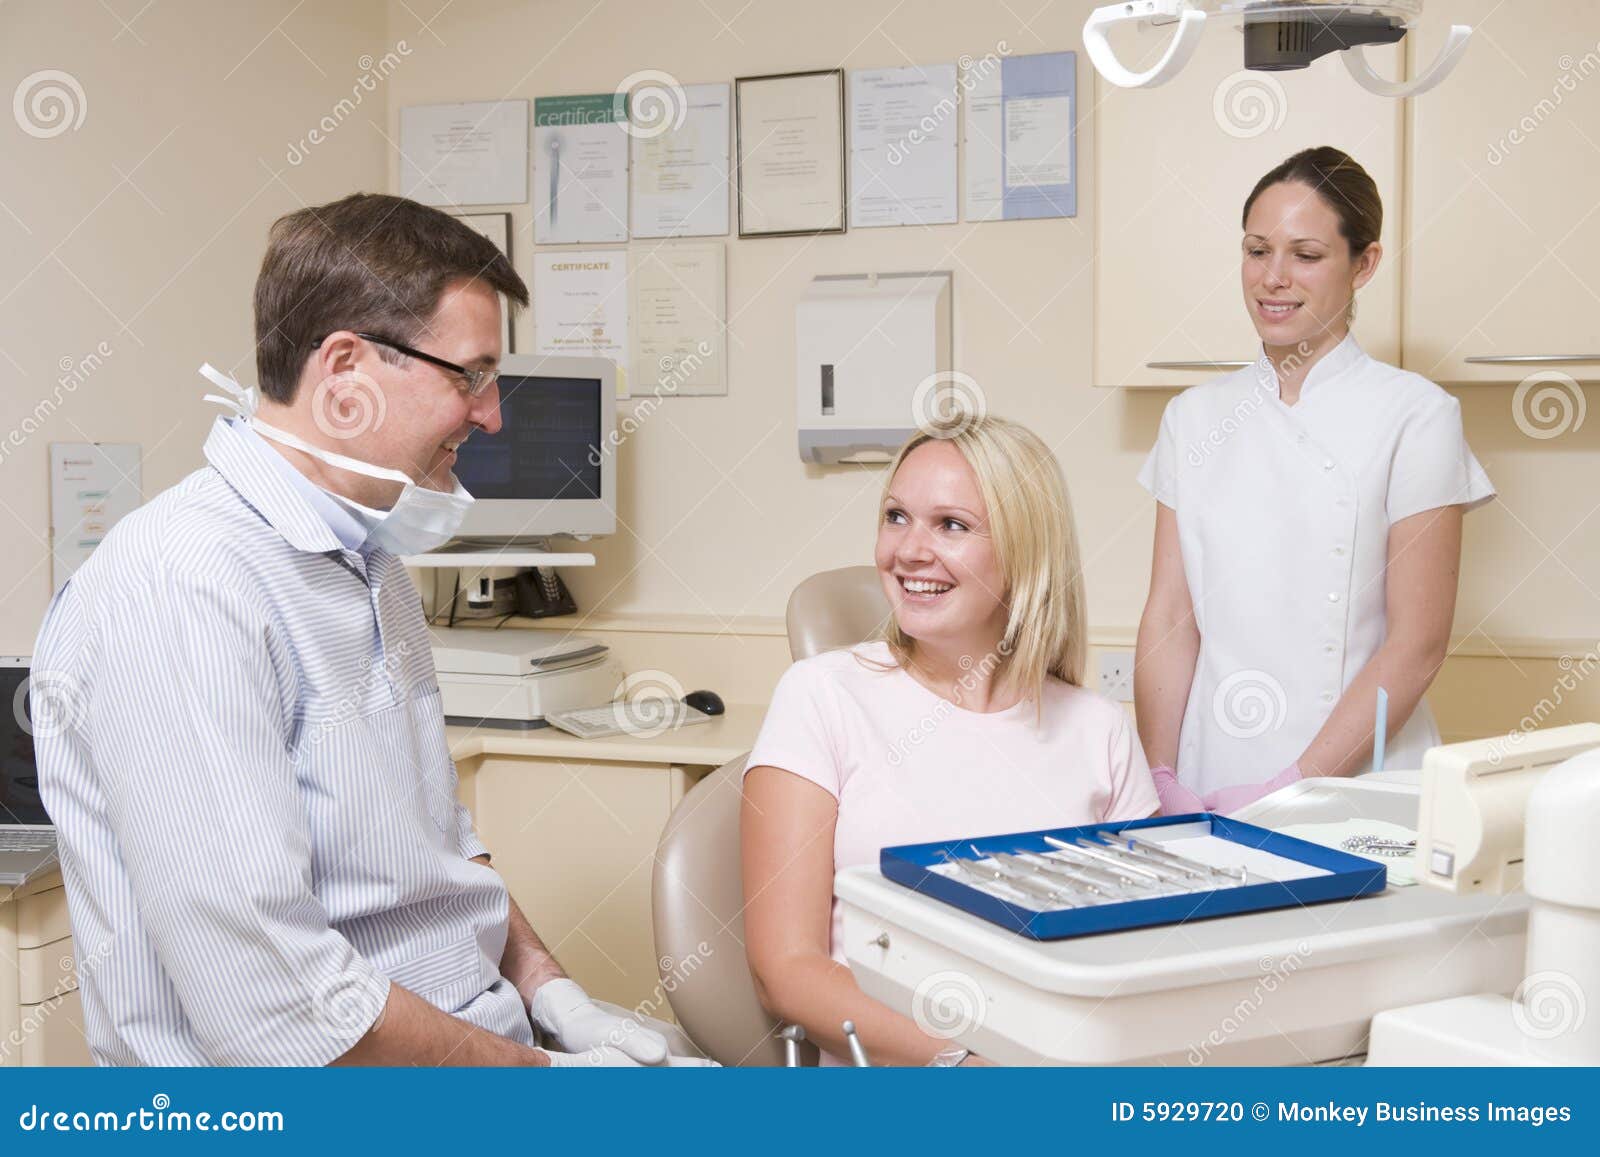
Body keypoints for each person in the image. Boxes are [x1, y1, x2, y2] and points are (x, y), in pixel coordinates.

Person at [31, 193, 711, 1067]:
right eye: (469, 373)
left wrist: (551, 993)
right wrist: (547, 1079)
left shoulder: (371, 553)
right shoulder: (182, 587)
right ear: (346, 367)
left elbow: (437, 857)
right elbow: (277, 1007)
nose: (492, 412)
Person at [742, 415, 1159, 1066]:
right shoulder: (821, 697)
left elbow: (1150, 950)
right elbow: (786, 969)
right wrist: (968, 1061)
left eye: (952, 525)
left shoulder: (1099, 729)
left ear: (1026, 551)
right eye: (896, 516)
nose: (908, 550)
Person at [1134, 147, 1495, 816]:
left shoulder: (1417, 415)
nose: (1273, 278)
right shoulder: (1193, 417)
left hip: (1359, 786)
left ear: (1364, 264)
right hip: (1207, 775)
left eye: (1305, 254)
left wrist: (1294, 785)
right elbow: (1169, 618)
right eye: (1256, 250)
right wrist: (1158, 775)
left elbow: (1417, 643)